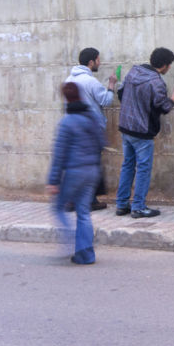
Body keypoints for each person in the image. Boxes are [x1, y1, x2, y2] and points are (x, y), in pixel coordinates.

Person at [115, 47, 174, 219]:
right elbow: (164, 107)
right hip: (142, 131)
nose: (170, 68)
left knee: (128, 166)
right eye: (170, 65)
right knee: (143, 169)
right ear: (165, 65)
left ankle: (122, 205)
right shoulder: (156, 82)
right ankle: (138, 207)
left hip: (126, 127)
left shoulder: (133, 72)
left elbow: (121, 94)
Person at [46, 82, 105, 265]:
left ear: (65, 99)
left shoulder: (66, 122)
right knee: (84, 212)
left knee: (58, 208)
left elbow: (59, 154)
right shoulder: (93, 118)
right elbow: (101, 143)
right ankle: (85, 254)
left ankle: (70, 236)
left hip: (74, 173)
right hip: (92, 171)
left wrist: (53, 180)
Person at [65, 47, 117, 211]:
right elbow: (106, 101)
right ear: (91, 62)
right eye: (98, 60)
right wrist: (111, 85)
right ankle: (88, 200)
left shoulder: (69, 80)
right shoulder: (90, 81)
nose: (99, 63)